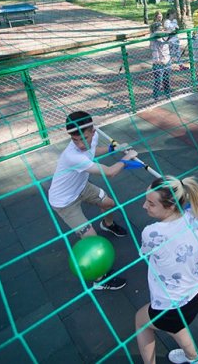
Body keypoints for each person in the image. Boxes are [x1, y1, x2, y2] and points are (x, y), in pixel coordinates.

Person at [135, 175, 198, 364]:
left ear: (171, 206)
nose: (144, 206)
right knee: (178, 328)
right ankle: (194, 358)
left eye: (151, 203)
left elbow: (144, 254)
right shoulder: (197, 218)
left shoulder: (151, 232)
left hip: (170, 307)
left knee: (141, 322)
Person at [48, 111, 139, 290]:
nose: (81, 145)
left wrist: (112, 149)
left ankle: (107, 224)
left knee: (109, 204)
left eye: (84, 138)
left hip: (81, 187)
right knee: (92, 241)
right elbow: (110, 172)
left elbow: (92, 151)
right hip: (64, 202)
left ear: (92, 131)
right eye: (75, 140)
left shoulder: (94, 137)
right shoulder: (72, 156)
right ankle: (100, 280)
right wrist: (126, 158)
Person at [150, 20, 171, 99]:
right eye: (159, 29)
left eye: (162, 29)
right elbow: (156, 33)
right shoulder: (152, 36)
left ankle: (167, 94)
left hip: (167, 61)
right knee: (158, 81)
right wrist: (166, 32)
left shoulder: (164, 36)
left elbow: (169, 36)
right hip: (158, 63)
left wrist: (171, 32)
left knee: (166, 80)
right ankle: (156, 96)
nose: (161, 31)